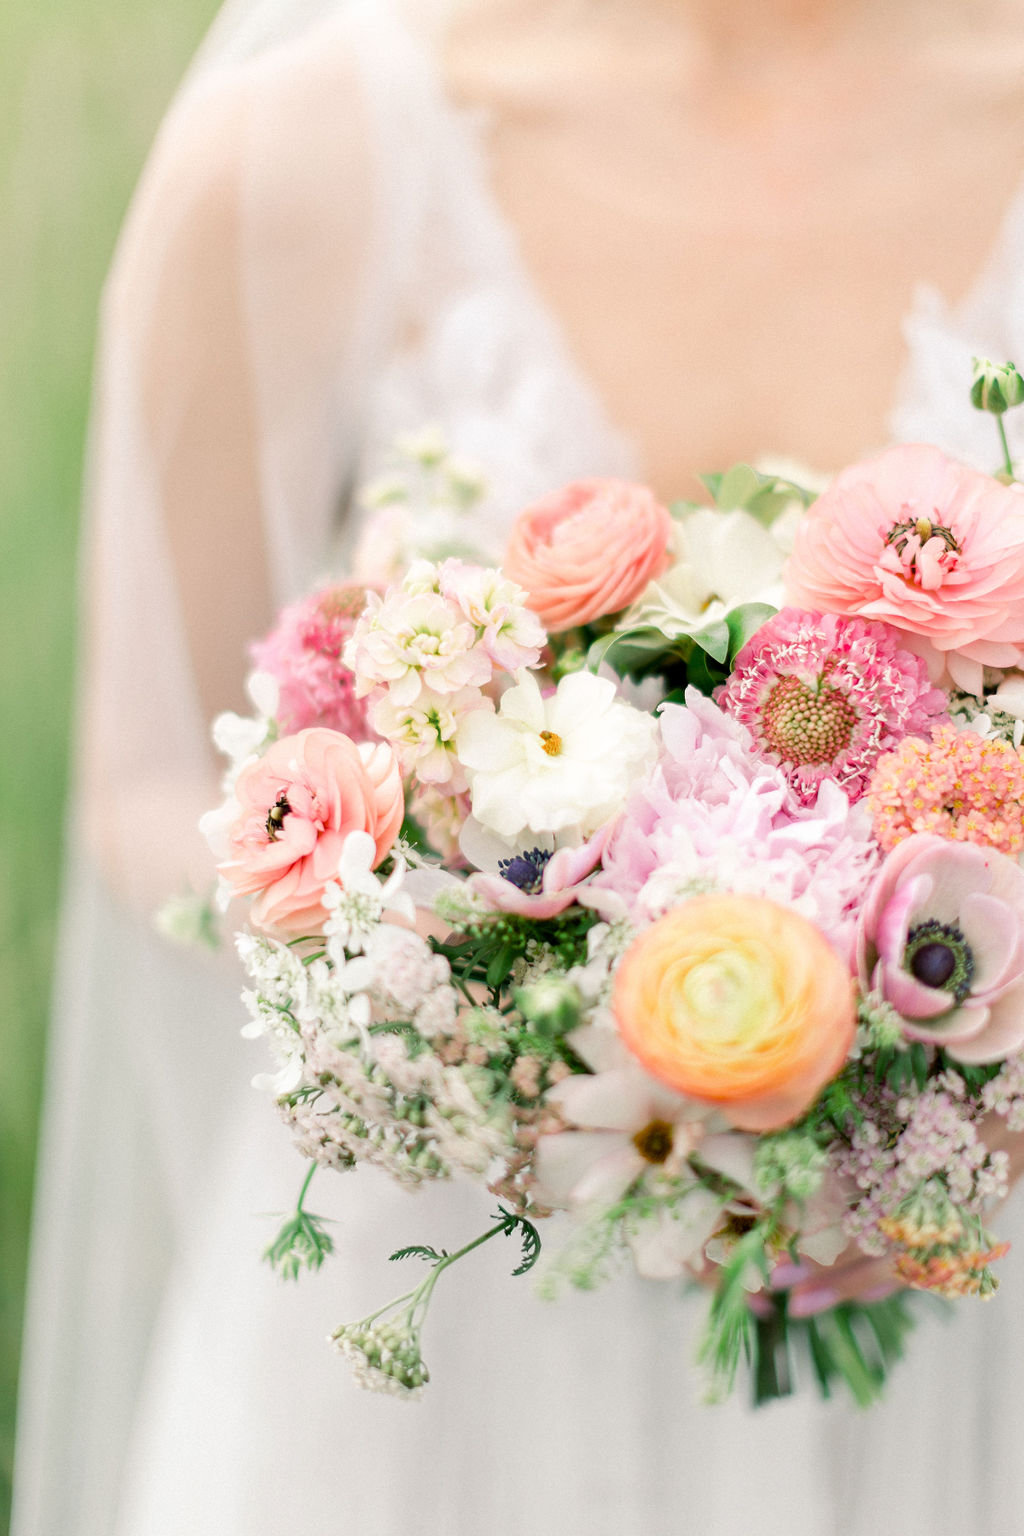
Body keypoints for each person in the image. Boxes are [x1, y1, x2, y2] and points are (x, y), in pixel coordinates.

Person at [14, 0, 1024, 1531]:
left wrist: (938, 1071)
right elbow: (147, 785)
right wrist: (485, 1004)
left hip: (971, 1307)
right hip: (445, 1332)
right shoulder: (296, 157)